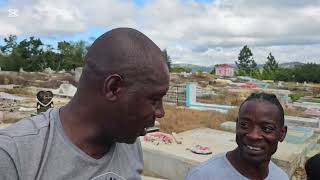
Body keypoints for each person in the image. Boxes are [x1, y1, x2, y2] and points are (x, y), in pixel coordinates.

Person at [0, 28, 169, 180]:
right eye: (154, 100)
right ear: (113, 88)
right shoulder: (13, 155)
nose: (161, 112)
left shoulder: (128, 141)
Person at [185, 93, 289, 180]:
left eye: (267, 129)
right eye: (244, 125)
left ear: (282, 133)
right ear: (236, 125)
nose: (253, 136)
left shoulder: (281, 177)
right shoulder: (202, 176)